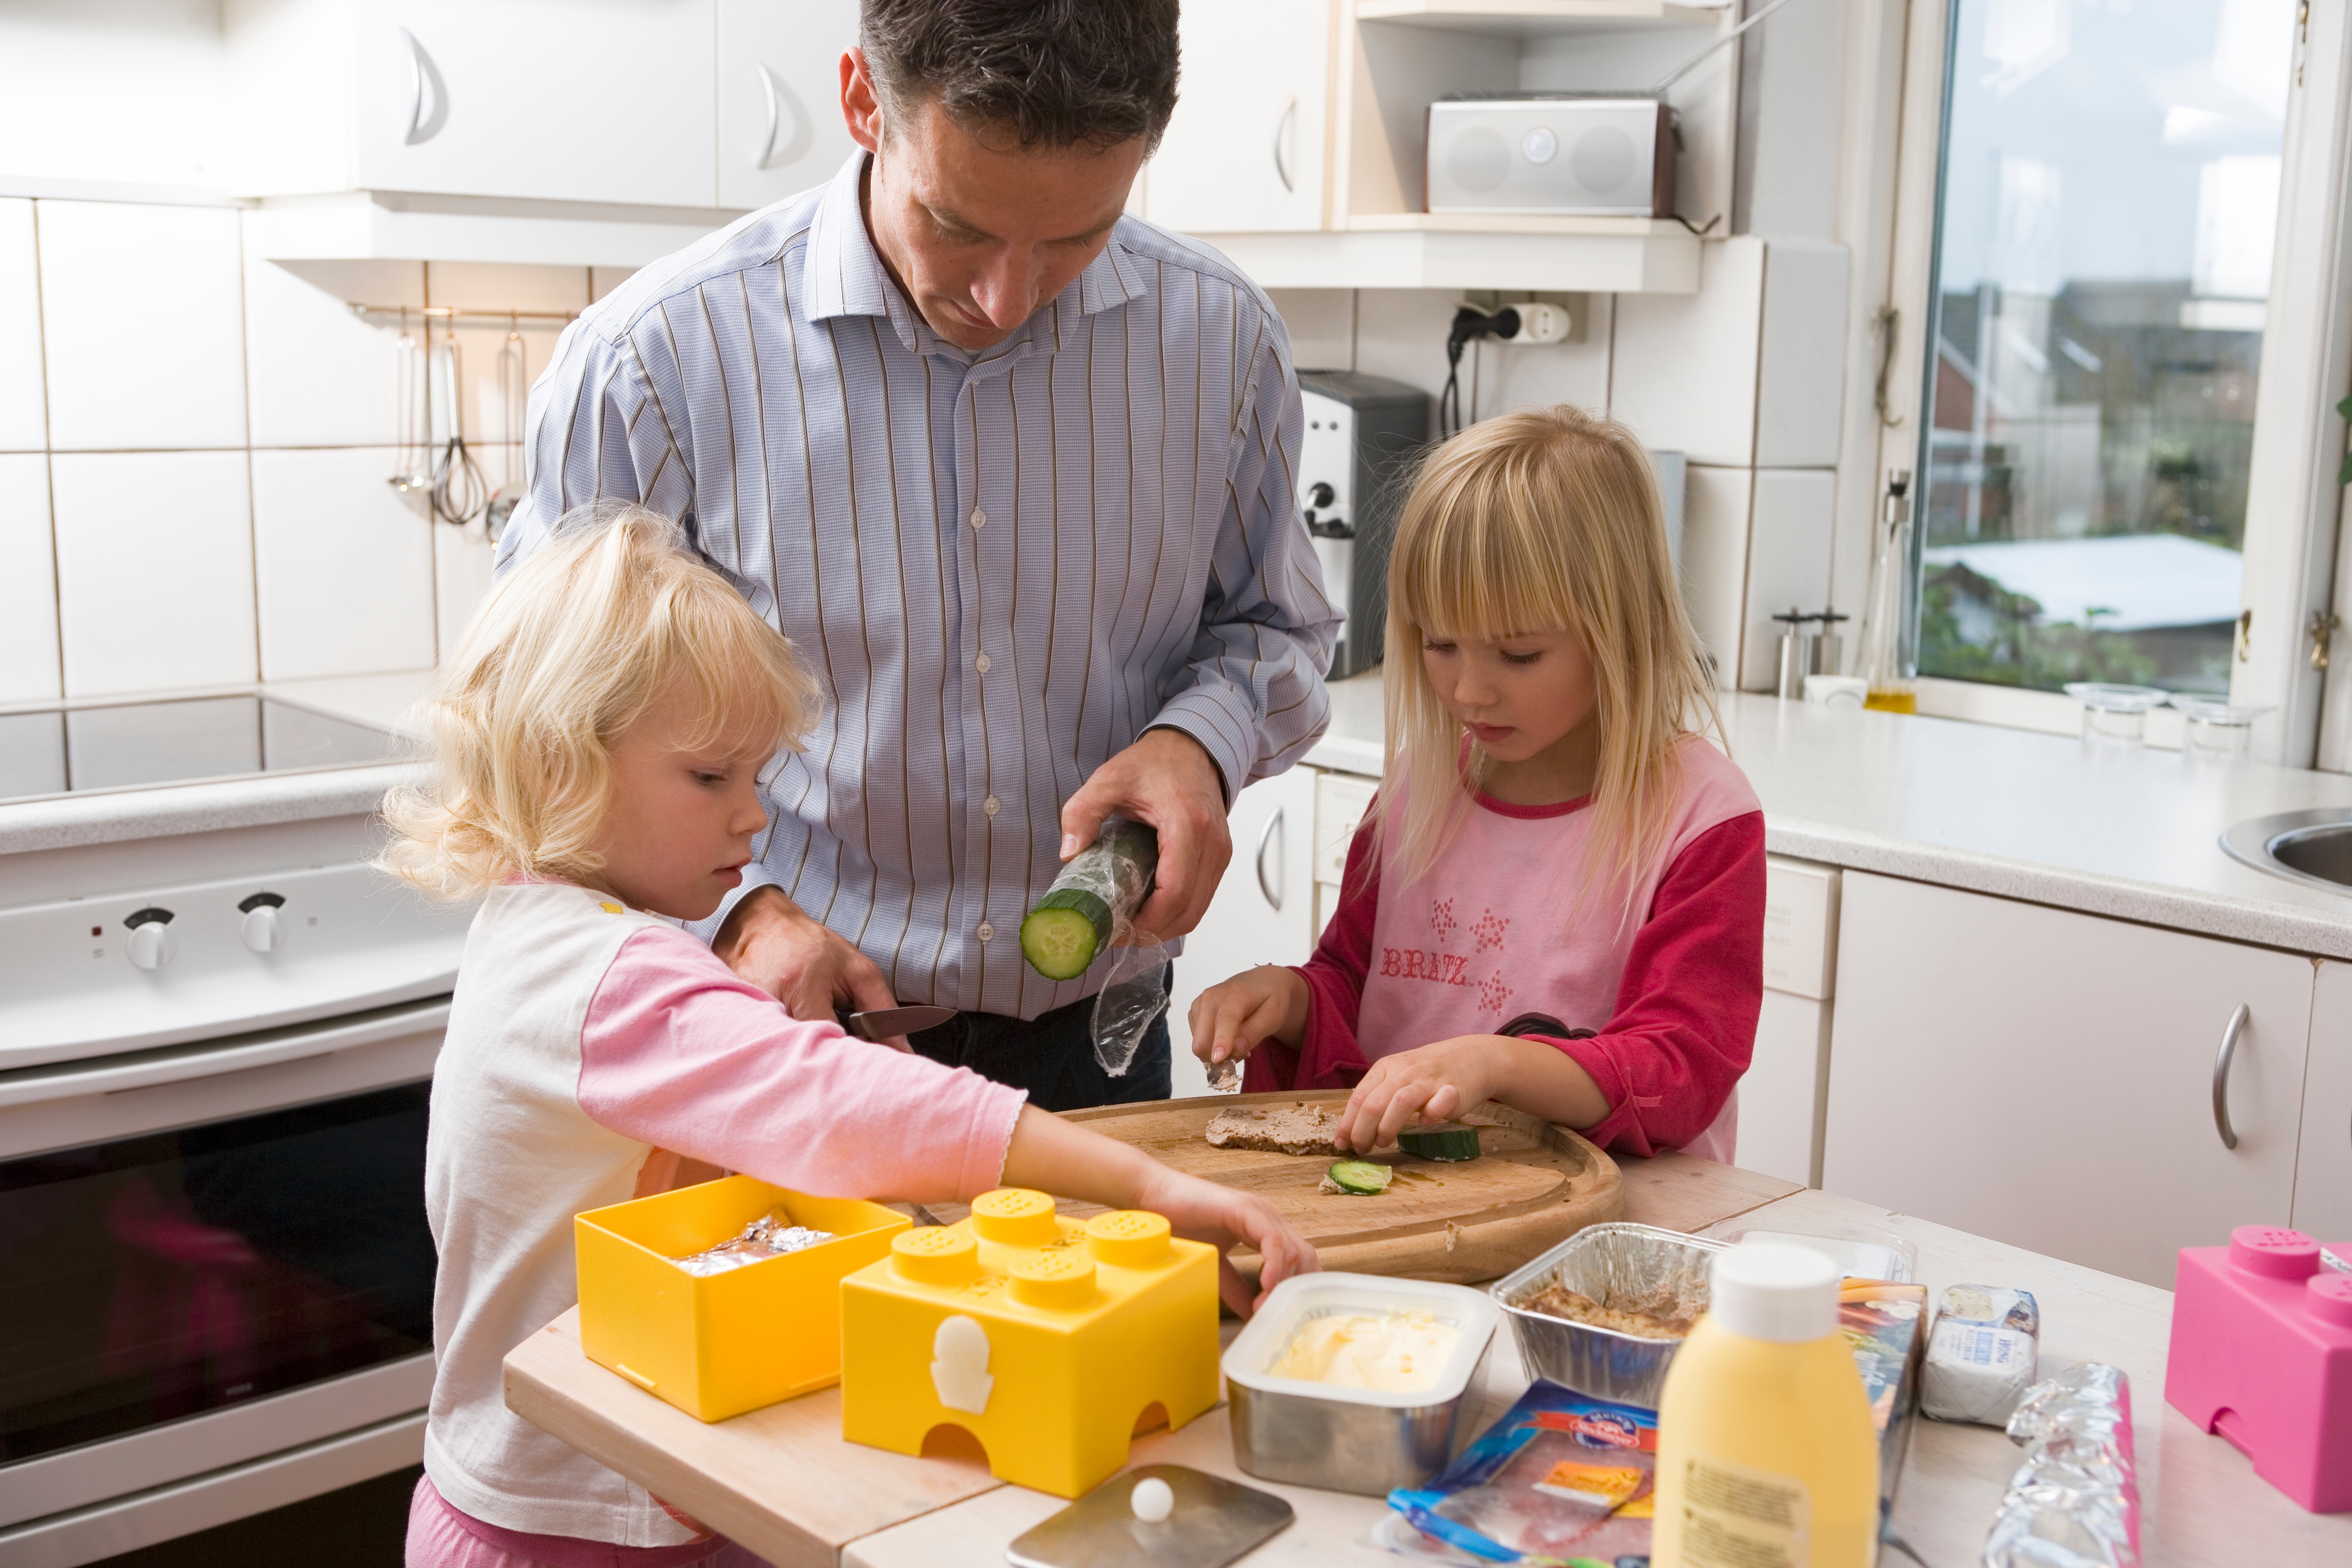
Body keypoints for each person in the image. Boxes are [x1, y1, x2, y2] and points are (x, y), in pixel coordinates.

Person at [386, 507, 1316, 1568]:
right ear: (562, 766)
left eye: (757, 776)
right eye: (710, 778)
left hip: (584, 1482)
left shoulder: (538, 927)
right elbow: (830, 1098)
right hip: (577, 1522)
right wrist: (1145, 1188)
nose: (753, 818)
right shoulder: (611, 978)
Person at [497, 0, 1339, 1111]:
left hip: (1100, 1050)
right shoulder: (651, 363)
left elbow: (1277, 629)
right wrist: (735, 911)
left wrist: (1198, 743)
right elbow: (540, 732)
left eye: (1079, 237)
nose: (1007, 297)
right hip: (794, 1038)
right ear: (861, 101)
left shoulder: (1221, 339)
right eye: (962, 226)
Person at [1186, 407, 1765, 1163]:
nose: (1469, 693)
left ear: (1625, 630)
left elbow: (1682, 1067)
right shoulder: (1415, 796)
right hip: (1423, 1208)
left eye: (1518, 655)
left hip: (1615, 1218)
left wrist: (1495, 1064)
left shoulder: (1700, 819)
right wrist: (1291, 1001)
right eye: (1440, 644)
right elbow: (1355, 988)